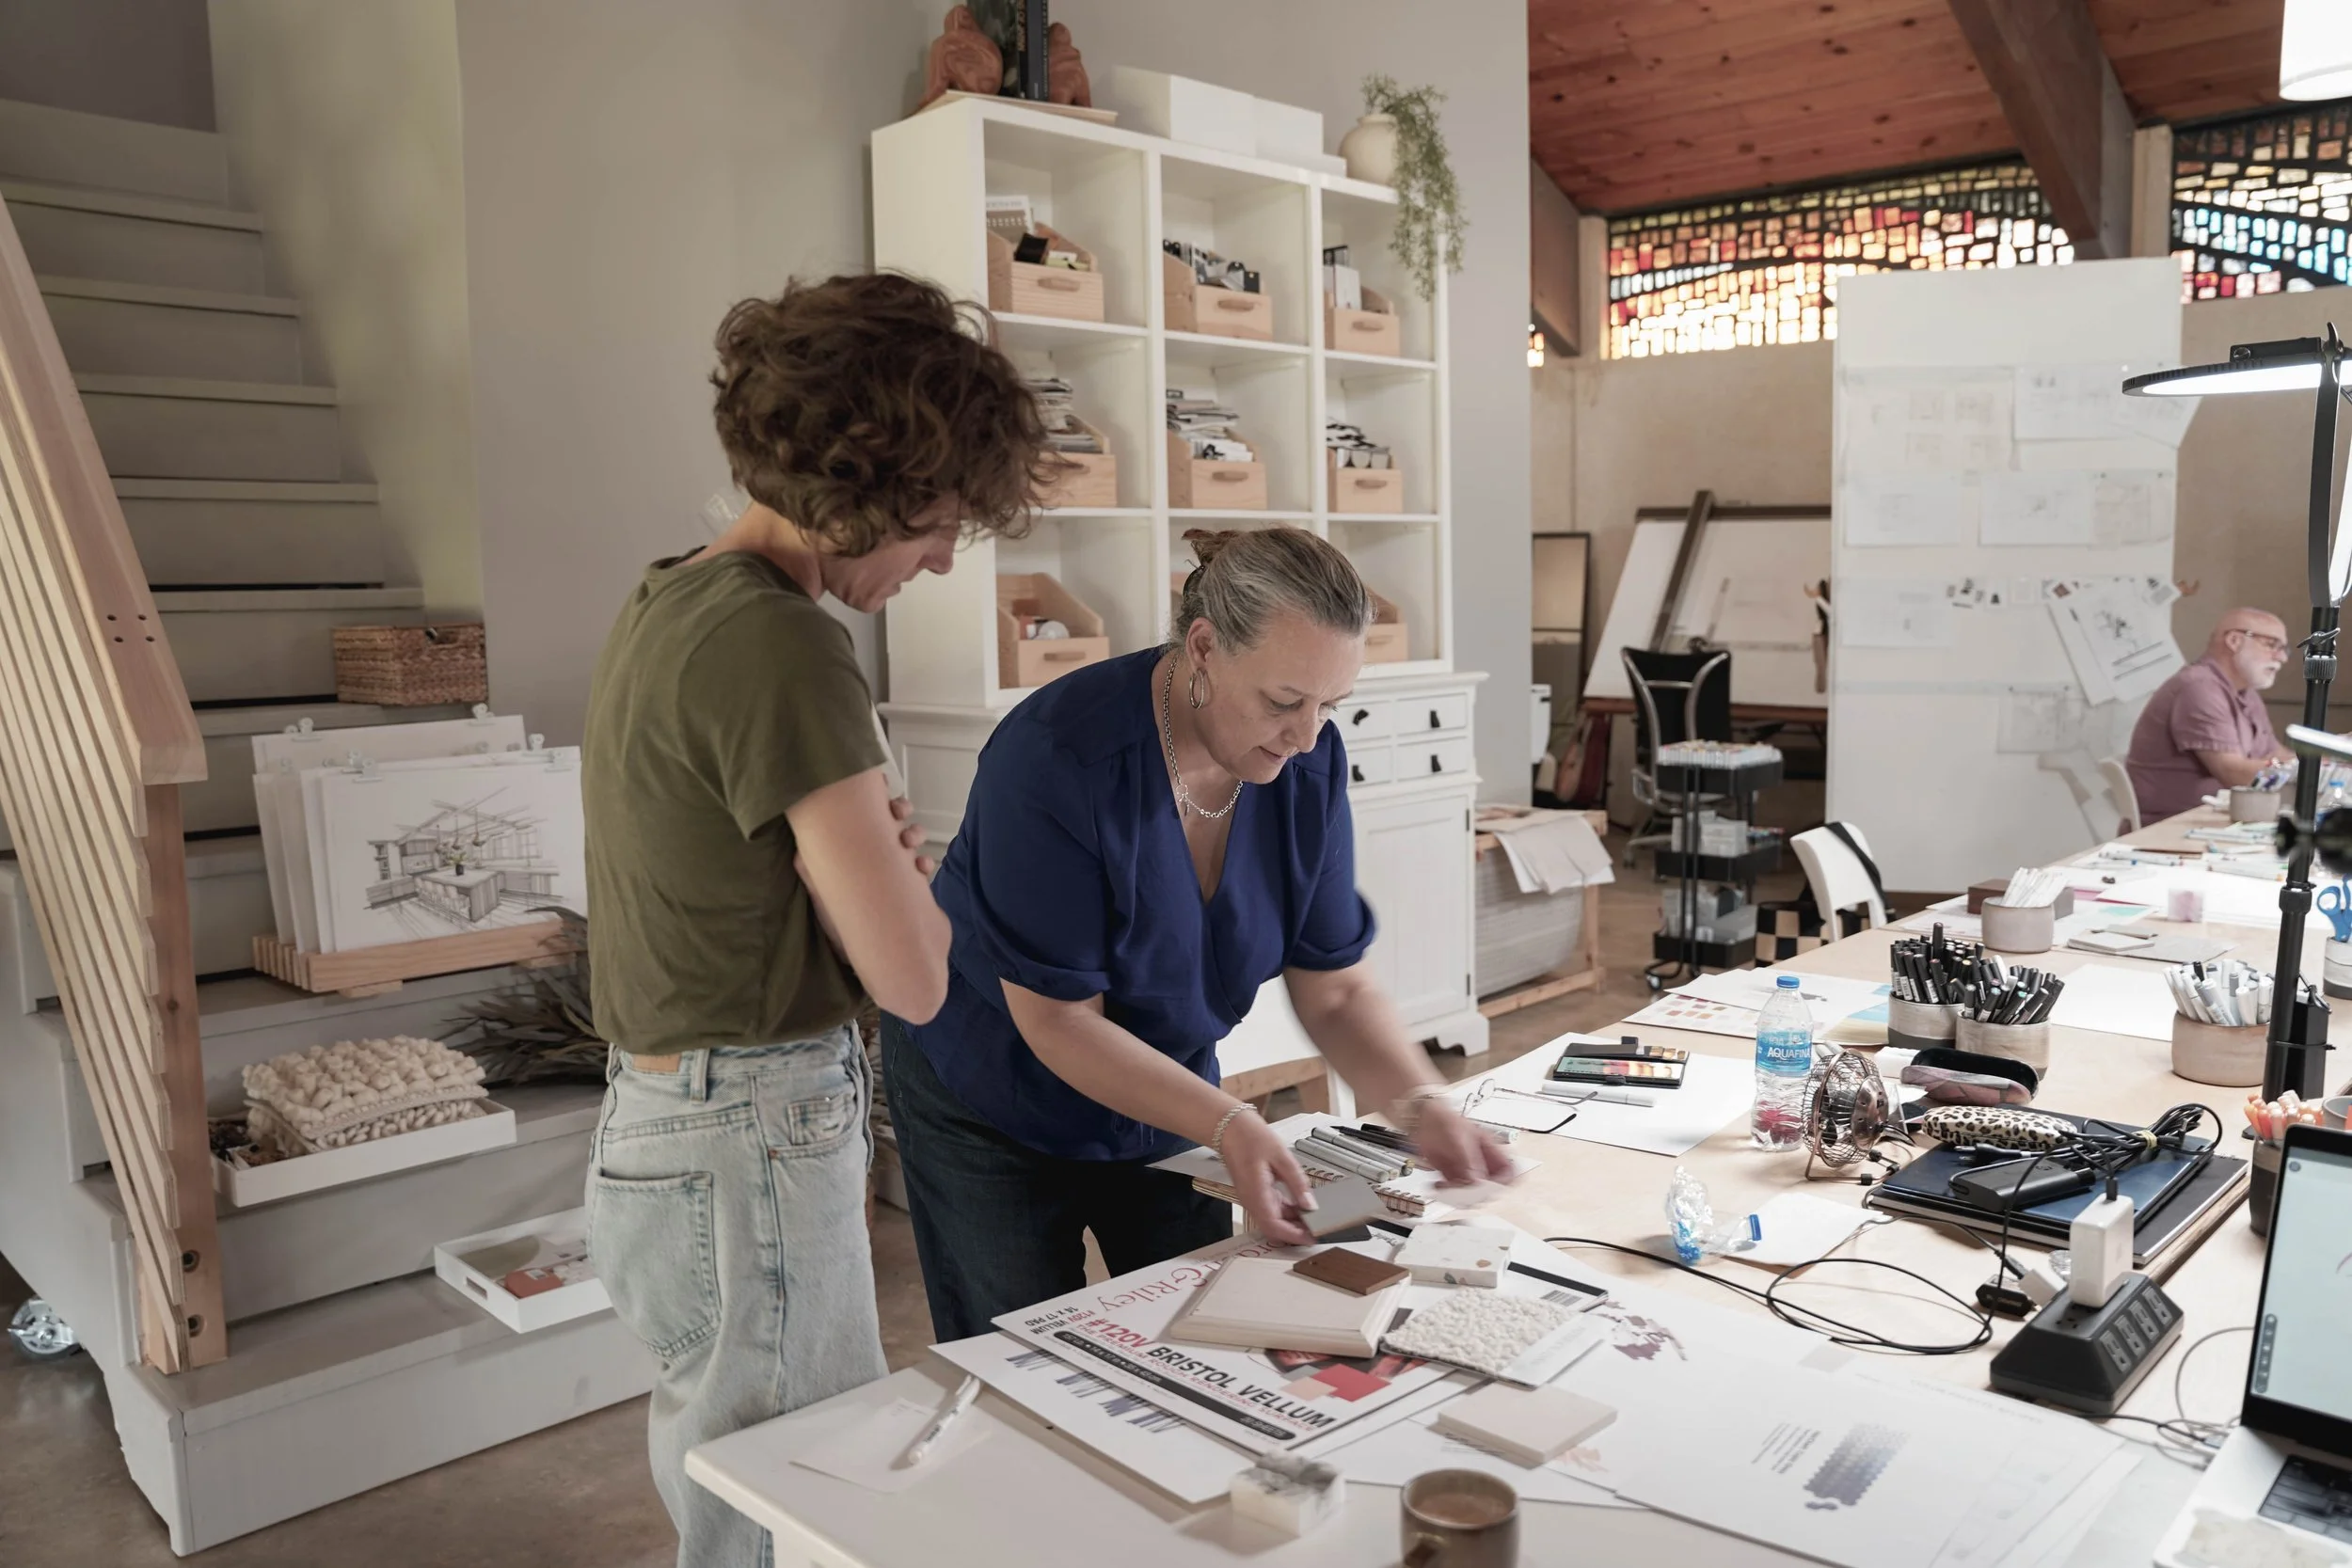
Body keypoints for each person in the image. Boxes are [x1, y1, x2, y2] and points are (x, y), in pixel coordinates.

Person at [580, 274, 1051, 1567]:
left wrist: (877, 874)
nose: (949, 554)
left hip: (668, 1114)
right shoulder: (784, 644)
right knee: (790, 1505)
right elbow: (913, 973)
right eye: (942, 519)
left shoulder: (666, 601)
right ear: (870, 478)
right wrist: (905, 884)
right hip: (753, 1122)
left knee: (728, 1475)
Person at [881, 527, 1514, 1340]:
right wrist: (1229, 1121)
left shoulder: (1304, 760)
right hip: (994, 1096)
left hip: (1166, 1093)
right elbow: (1058, 1021)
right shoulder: (1055, 759)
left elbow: (1337, 985)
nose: (1309, 736)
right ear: (1206, 648)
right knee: (1023, 1358)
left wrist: (1421, 1102)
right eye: (1286, 702)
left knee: (1199, 1333)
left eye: (1332, 705)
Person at [2126, 606, 2296, 819]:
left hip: (2216, 821)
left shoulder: (2244, 690)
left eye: (2284, 649)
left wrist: (2332, 759)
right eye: (2271, 644)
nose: (2282, 657)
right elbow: (2234, 773)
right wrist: (2308, 773)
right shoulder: (2199, 686)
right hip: (2174, 828)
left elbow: (2273, 754)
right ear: (2234, 641)